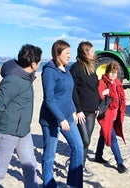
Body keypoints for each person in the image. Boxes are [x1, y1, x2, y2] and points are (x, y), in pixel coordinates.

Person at [0, 44, 42, 188]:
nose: (40, 63)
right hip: (7, 132)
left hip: (23, 131)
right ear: (33, 63)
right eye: (39, 61)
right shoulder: (13, 79)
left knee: (30, 166)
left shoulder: (26, 77)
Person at [39, 39, 83, 188]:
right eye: (67, 53)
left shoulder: (67, 69)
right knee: (50, 156)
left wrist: (74, 111)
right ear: (57, 55)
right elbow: (49, 99)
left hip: (68, 116)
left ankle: (75, 184)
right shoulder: (49, 72)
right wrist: (61, 119)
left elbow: (68, 94)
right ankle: (48, 184)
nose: (70, 56)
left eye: (70, 53)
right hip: (51, 119)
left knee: (78, 147)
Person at [70, 41, 100, 177]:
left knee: (86, 141)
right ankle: (75, 164)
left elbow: (94, 89)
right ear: (85, 52)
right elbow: (73, 91)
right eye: (91, 51)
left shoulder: (92, 68)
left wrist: (98, 105)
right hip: (81, 111)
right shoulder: (75, 69)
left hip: (92, 110)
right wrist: (77, 109)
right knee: (84, 139)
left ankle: (81, 166)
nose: (94, 53)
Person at [94, 61, 127, 174]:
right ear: (107, 72)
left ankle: (98, 156)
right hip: (106, 115)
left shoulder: (117, 83)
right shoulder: (102, 82)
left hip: (115, 115)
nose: (113, 75)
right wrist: (104, 92)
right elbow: (98, 95)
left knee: (104, 134)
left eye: (115, 72)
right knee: (111, 136)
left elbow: (120, 98)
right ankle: (120, 163)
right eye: (111, 72)